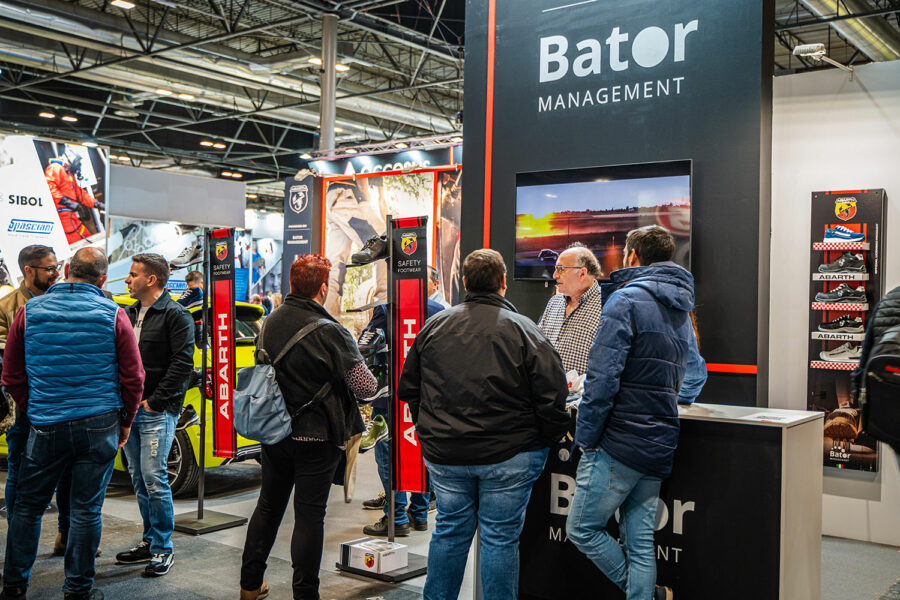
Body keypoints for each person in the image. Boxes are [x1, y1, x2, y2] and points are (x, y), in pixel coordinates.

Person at [398, 249, 570, 600]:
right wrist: (550, 438)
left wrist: (430, 433)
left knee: (448, 533)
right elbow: (553, 396)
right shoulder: (525, 331)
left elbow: (408, 389)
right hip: (511, 457)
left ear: (464, 282)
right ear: (503, 283)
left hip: (447, 456)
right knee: (500, 539)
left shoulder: (435, 327)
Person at [565, 226, 707, 600]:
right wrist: (670, 400)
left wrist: (587, 437)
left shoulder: (624, 301)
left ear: (631, 256)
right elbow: (694, 373)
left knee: (581, 528)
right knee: (640, 541)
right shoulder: (680, 306)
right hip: (659, 437)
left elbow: (602, 378)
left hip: (617, 441)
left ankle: (650, 595)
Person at [0, 247, 144, 600]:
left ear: (66, 270)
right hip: (99, 425)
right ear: (101, 279)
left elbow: (11, 374)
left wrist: (34, 406)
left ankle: (14, 585)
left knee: (29, 507)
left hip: (45, 424)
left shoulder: (28, 311)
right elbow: (134, 377)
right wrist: (125, 421)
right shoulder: (114, 314)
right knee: (85, 510)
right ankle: (78, 589)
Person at [239, 254, 377, 600]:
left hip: (276, 431)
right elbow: (365, 387)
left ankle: (249, 586)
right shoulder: (332, 331)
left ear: (291, 284)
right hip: (317, 436)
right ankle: (305, 594)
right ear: (322, 288)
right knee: (309, 516)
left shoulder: (270, 322)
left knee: (268, 507)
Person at [115, 254, 194, 577]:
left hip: (154, 411)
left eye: (133, 275)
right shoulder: (129, 312)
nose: (127, 280)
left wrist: (157, 402)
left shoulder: (176, 315)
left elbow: (182, 364)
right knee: (138, 478)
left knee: (154, 478)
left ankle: (163, 548)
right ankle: (150, 540)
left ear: (151, 280)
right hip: (129, 410)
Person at [0, 245, 74, 555]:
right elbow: (6, 361)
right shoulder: (6, 306)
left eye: (57, 266)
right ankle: (19, 543)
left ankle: (68, 537)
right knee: (19, 470)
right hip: (25, 407)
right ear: (29, 271)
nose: (56, 272)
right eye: (49, 268)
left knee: (69, 473)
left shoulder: (67, 299)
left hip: (62, 404)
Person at [360, 296, 444, 537]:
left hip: (390, 396)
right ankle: (418, 514)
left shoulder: (386, 309)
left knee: (388, 455)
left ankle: (395, 517)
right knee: (421, 451)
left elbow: (366, 344)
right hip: (427, 397)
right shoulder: (439, 310)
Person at [538, 243, 603, 374]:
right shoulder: (554, 302)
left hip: (583, 393)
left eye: (561, 269)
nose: (555, 275)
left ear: (582, 273)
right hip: (546, 390)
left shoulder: (606, 305)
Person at [44, 148, 104, 244]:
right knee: (77, 243)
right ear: (70, 158)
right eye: (77, 162)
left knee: (87, 237)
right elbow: (49, 187)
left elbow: (79, 193)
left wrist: (97, 204)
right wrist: (67, 203)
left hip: (72, 216)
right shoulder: (55, 168)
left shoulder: (68, 174)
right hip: (63, 216)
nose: (78, 165)